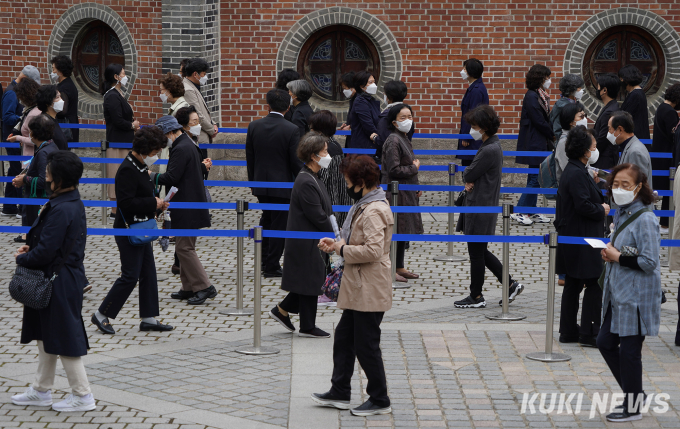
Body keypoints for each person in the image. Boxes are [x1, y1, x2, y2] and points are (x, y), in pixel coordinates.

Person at [11, 150, 96, 412]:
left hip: (60, 279)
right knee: (46, 335)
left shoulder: (62, 207)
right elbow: (49, 244)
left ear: (58, 178)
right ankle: (41, 389)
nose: (45, 177)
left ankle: (83, 395)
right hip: (59, 277)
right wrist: (31, 248)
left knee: (65, 337)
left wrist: (24, 259)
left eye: (48, 173)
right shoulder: (66, 201)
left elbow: (47, 250)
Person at [312, 154, 394, 417]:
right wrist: (337, 245)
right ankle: (339, 391)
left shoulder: (374, 209)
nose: (346, 185)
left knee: (366, 344)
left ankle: (379, 398)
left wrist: (342, 248)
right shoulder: (365, 203)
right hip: (360, 283)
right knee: (345, 339)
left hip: (369, 286)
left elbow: (372, 250)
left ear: (360, 182)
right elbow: (354, 242)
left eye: (348, 180)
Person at [91, 126, 174, 335]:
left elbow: (143, 196)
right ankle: (102, 314)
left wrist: (157, 204)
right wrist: (152, 202)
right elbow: (126, 203)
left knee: (148, 273)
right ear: (145, 149)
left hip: (141, 226)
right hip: (129, 230)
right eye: (155, 152)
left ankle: (148, 317)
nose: (156, 156)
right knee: (130, 275)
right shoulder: (128, 168)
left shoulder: (138, 166)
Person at [598, 163, 661, 422]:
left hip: (637, 297)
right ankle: (635, 394)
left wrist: (618, 256)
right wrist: (611, 252)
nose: (619, 189)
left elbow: (649, 261)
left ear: (638, 188)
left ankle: (633, 406)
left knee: (629, 352)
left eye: (626, 185)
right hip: (618, 292)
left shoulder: (646, 218)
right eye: (615, 184)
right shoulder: (621, 213)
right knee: (605, 342)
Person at [454, 105, 525, 308]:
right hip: (481, 203)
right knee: (480, 251)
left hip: (480, 205)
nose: (472, 130)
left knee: (476, 253)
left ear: (483, 128)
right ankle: (510, 284)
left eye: (474, 126)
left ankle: (476, 296)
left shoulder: (489, 149)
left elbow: (469, 173)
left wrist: (467, 177)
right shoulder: (491, 145)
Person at [269, 133, 334, 338]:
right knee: (310, 280)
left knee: (308, 280)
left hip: (309, 237)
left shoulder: (312, 176)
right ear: (314, 156)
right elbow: (316, 214)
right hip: (306, 238)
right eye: (324, 151)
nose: (328, 155)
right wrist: (334, 232)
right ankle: (307, 325)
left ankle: (282, 311)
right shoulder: (306, 180)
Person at [151, 115, 216, 305]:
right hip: (190, 203)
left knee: (185, 248)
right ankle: (188, 287)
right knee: (182, 247)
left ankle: (204, 286)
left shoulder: (180, 148)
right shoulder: (188, 144)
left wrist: (151, 175)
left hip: (187, 204)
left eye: (164, 137)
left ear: (170, 132)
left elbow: (171, 177)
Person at [554, 126, 609, 347]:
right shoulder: (576, 172)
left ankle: (569, 330)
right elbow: (583, 205)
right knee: (594, 281)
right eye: (593, 146)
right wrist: (602, 209)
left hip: (576, 235)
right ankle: (589, 331)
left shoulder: (578, 169)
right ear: (585, 150)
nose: (595, 150)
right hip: (582, 237)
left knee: (574, 283)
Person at [245, 89, 303, 277]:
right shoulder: (291, 129)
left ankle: (264, 259)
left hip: (261, 183)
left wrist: (254, 182)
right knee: (279, 224)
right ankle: (271, 265)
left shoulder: (254, 126)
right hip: (282, 185)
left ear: (267, 106)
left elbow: (250, 158)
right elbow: (295, 161)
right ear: (288, 107)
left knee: (267, 218)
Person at [381, 103, 423, 282]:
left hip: (406, 191)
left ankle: (399, 266)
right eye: (403, 118)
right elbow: (394, 169)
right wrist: (414, 169)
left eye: (410, 117)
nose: (408, 121)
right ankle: (389, 269)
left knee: (402, 229)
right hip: (395, 192)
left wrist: (416, 185)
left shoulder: (404, 137)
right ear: (394, 122)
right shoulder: (393, 140)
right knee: (394, 230)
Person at [513, 64, 555, 225]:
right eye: (547, 78)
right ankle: (521, 210)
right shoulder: (531, 96)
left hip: (539, 142)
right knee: (534, 178)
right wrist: (552, 134)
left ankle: (530, 210)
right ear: (540, 78)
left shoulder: (539, 94)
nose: (549, 81)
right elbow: (538, 121)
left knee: (536, 177)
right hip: (533, 142)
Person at [11, 115, 58, 243]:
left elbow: (43, 180)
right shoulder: (49, 146)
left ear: (34, 133)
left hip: (37, 201)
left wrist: (25, 179)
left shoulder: (43, 152)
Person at [102, 63, 140, 218]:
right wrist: (132, 125)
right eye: (123, 74)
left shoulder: (119, 93)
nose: (125, 77)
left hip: (125, 141)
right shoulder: (111, 96)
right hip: (117, 142)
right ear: (116, 77)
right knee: (115, 174)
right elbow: (117, 120)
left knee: (125, 174)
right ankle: (114, 210)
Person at [2, 65, 40, 216]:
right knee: (19, 171)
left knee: (13, 170)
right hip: (13, 138)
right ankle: (20, 207)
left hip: (13, 137)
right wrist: (24, 118)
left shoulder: (12, 90)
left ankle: (9, 207)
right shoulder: (12, 93)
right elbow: (7, 116)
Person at [310, 110, 353, 226]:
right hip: (340, 202)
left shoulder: (323, 149)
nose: (311, 130)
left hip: (329, 205)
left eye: (312, 127)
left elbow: (322, 178)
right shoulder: (335, 144)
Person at [651, 83, 680, 233]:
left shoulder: (662, 108)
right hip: (667, 157)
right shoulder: (670, 112)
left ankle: (665, 222)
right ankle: (666, 223)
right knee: (670, 190)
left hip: (660, 154)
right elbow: (674, 135)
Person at [456, 58, 489, 167]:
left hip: (473, 139)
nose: (462, 71)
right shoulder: (475, 88)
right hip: (473, 136)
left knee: (469, 170)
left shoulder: (476, 90)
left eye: (465, 69)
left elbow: (473, 115)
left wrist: (466, 136)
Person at [609, 111, 652, 190]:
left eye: (610, 129)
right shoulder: (627, 147)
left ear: (620, 129)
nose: (609, 133)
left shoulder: (635, 152)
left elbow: (639, 186)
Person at [182, 58, 218, 149]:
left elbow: (204, 110)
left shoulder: (193, 86)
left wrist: (213, 123)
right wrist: (211, 130)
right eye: (204, 74)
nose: (205, 77)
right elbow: (198, 114)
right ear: (195, 74)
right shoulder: (188, 90)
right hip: (198, 139)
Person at [159, 73, 189, 174]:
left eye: (162, 90)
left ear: (169, 90)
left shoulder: (181, 109)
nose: (160, 93)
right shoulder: (175, 107)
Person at [376, 80, 414, 161]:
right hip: (406, 155)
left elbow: (383, 140)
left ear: (389, 96)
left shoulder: (387, 115)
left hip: (389, 159)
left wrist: (375, 138)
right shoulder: (408, 112)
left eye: (385, 93)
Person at [592, 73, 621, 169]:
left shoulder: (609, 112)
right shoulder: (613, 106)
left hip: (604, 160)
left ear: (604, 90)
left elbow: (602, 139)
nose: (597, 89)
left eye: (599, 87)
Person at [347, 71, 381, 154]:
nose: (374, 85)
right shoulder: (360, 101)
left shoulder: (370, 100)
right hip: (364, 146)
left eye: (374, 82)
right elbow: (368, 124)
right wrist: (378, 139)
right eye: (370, 82)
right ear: (362, 86)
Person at [6, 77, 41, 156]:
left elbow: (36, 141)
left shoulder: (32, 114)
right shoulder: (32, 110)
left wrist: (17, 138)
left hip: (31, 157)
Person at [555, 102, 587, 181]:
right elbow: (569, 170)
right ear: (571, 121)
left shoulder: (577, 138)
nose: (585, 119)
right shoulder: (564, 142)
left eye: (585, 116)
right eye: (581, 116)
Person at [51, 55, 79, 142]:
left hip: (66, 128)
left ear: (60, 71)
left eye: (54, 69)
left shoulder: (64, 88)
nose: (52, 72)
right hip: (70, 125)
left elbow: (62, 110)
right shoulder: (69, 84)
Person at [549, 74, 585, 141]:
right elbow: (557, 129)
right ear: (571, 90)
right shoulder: (560, 106)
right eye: (579, 88)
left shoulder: (575, 103)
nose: (581, 90)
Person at [619, 65, 650, 140]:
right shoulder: (636, 93)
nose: (620, 80)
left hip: (636, 138)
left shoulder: (635, 95)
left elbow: (626, 116)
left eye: (621, 78)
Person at [35, 85, 68, 150]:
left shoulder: (53, 119)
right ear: (48, 102)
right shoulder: (44, 123)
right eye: (57, 97)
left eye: (60, 96)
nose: (61, 100)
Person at [339, 71, 356, 148]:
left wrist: (351, 127)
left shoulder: (360, 101)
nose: (344, 91)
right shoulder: (353, 100)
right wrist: (347, 125)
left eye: (345, 88)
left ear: (353, 88)